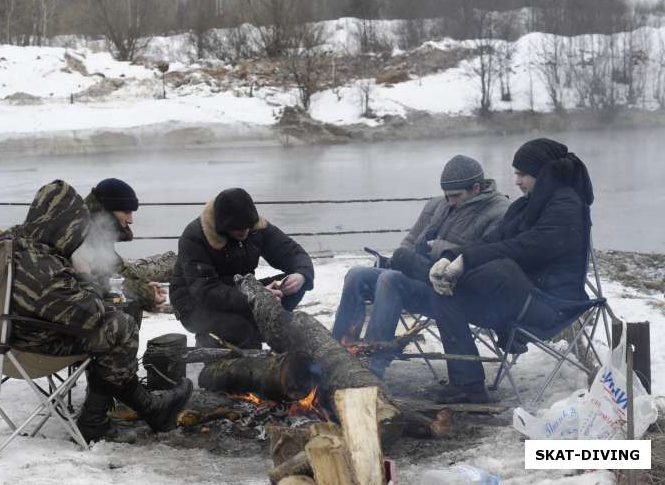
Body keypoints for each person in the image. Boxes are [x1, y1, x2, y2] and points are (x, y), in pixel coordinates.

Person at [5, 180, 192, 443]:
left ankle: (149, 407)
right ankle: (98, 421)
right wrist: (84, 276)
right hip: (34, 344)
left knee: (116, 321)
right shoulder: (43, 264)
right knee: (120, 326)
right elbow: (90, 314)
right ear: (64, 224)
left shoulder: (13, 243)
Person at [423, 138, 594, 404]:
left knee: (499, 269)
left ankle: (468, 385)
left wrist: (466, 261)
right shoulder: (526, 206)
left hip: (551, 304)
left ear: (542, 173)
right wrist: (449, 258)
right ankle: (467, 384)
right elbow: (492, 240)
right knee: (444, 291)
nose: (516, 181)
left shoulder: (566, 206)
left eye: (521, 173)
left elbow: (529, 248)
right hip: (520, 296)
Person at [331, 155, 509, 376]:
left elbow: (483, 257)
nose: (450, 201)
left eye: (456, 196)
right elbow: (409, 242)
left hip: (450, 291)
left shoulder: (499, 212)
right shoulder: (438, 204)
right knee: (357, 275)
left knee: (391, 280)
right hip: (416, 276)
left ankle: (371, 369)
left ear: (476, 187)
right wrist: (399, 260)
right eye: (446, 195)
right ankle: (336, 355)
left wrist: (438, 248)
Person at [169, 187, 315, 349]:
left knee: (294, 285)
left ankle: (265, 326)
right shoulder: (195, 236)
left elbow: (292, 252)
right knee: (241, 330)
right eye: (238, 229)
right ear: (223, 225)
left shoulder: (254, 227)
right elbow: (206, 292)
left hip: (240, 290)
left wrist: (301, 274)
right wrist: (255, 297)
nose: (244, 232)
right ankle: (223, 341)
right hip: (194, 304)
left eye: (247, 227)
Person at [75, 177, 167, 330]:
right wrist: (146, 294)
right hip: (78, 312)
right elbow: (103, 281)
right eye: (126, 211)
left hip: (86, 304)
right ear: (107, 211)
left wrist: (144, 285)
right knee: (127, 305)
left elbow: (115, 268)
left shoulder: (98, 228)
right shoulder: (84, 234)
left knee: (129, 302)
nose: (130, 220)